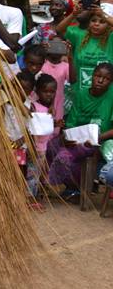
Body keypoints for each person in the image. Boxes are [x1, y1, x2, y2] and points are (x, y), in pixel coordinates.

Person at [46, 62, 113, 199]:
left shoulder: (111, 96)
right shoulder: (82, 95)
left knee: (64, 156)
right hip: (77, 136)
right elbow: (71, 122)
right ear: (92, 76)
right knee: (51, 146)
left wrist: (97, 139)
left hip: (99, 140)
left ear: (111, 81)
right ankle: (68, 185)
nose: (100, 80)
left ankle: (74, 186)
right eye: (97, 76)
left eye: (106, 79)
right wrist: (68, 136)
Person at [55, 2, 113, 94]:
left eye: (102, 22)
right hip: (80, 91)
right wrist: (73, 14)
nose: (96, 24)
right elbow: (59, 29)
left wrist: (103, 15)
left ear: (109, 25)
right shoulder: (80, 36)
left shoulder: (111, 39)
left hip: (105, 94)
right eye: (93, 20)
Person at [27, 73, 58, 210]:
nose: (49, 95)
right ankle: (30, 199)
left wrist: (56, 123)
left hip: (42, 148)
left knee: (36, 173)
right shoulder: (33, 107)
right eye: (45, 91)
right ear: (37, 91)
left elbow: (46, 128)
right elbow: (32, 128)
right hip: (34, 147)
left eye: (52, 92)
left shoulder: (49, 109)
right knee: (31, 174)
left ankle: (33, 196)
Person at [42, 40, 70, 120]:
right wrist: (41, 50)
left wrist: (69, 55)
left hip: (58, 101)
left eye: (60, 45)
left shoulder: (65, 66)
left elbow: (72, 80)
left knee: (56, 126)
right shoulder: (42, 62)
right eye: (53, 45)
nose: (56, 48)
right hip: (41, 98)